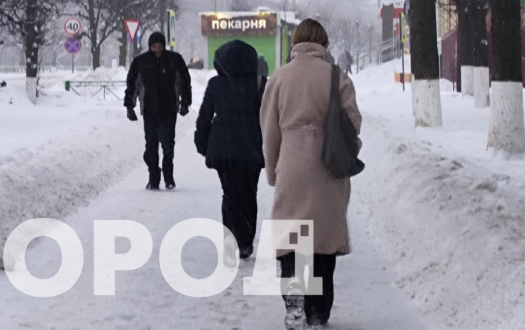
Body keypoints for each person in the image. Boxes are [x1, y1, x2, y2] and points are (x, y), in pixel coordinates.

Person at [261, 19, 361, 329]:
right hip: (328, 165)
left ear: (296, 41)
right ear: (323, 43)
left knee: (292, 237)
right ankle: (318, 310)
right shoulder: (336, 77)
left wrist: (272, 168)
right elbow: (353, 121)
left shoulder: (279, 78)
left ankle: (295, 300)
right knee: (323, 241)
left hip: (292, 164)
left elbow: (268, 130)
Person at [194, 40, 265, 265]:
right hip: (252, 146)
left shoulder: (216, 84)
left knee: (230, 195)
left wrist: (202, 143)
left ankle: (231, 243)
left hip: (223, 148)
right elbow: (269, 117)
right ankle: (245, 241)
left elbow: (204, 116)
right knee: (249, 194)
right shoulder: (259, 83)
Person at [125, 31, 193, 190]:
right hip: (149, 110)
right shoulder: (141, 62)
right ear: (150, 46)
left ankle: (168, 176)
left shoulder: (174, 60)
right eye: (154, 46)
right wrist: (130, 106)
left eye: (160, 46)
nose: (157, 50)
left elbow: (184, 81)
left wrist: (185, 103)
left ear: (164, 45)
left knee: (168, 145)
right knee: (151, 147)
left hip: (169, 109)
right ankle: (153, 177)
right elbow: (132, 84)